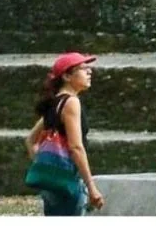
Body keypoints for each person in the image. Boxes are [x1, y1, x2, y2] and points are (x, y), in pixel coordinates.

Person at [25, 52, 104, 215]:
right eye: (83, 69)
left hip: (52, 183)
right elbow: (75, 147)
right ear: (67, 76)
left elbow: (31, 140)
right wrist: (91, 187)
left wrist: (45, 167)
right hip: (68, 181)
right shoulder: (71, 102)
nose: (89, 72)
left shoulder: (55, 102)